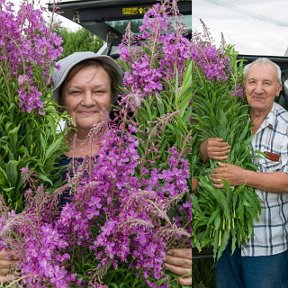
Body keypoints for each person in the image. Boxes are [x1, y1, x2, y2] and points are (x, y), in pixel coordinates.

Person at [0, 51, 192, 285]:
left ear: (113, 97)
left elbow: (179, 211)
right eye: (76, 92)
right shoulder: (38, 158)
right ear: (60, 98)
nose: (88, 101)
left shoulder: (142, 151)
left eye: (99, 91)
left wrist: (184, 252)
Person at [209, 57, 288, 288]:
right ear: (244, 87)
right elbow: (199, 162)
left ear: (278, 89)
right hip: (226, 237)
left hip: (268, 243)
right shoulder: (231, 117)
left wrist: (243, 176)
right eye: (252, 82)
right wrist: (204, 149)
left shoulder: (286, 127)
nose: (259, 89)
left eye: (267, 83)